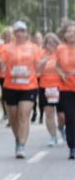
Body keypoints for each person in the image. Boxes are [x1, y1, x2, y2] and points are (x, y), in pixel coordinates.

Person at [0, 21, 39, 158]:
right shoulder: (6, 48)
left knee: (23, 115)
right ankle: (18, 139)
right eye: (18, 31)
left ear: (26, 33)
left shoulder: (34, 48)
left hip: (28, 86)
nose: (20, 34)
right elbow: (0, 67)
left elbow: (38, 66)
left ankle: (21, 146)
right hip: (11, 87)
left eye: (23, 31)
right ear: (14, 34)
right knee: (13, 119)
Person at [36, 32, 64, 147]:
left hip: (60, 86)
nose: (51, 44)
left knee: (62, 115)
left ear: (57, 43)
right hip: (45, 86)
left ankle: (61, 127)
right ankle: (53, 137)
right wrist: (44, 61)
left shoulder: (61, 53)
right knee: (49, 113)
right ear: (45, 43)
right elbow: (37, 71)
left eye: (53, 42)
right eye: (48, 42)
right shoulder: (41, 53)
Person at [55, 21, 75, 159]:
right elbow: (56, 65)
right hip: (66, 87)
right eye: (69, 31)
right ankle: (72, 147)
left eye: (74, 31)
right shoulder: (60, 48)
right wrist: (61, 73)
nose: (72, 34)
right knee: (70, 117)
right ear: (65, 34)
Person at [0, 27, 13, 125]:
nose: (8, 37)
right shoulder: (0, 46)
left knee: (12, 95)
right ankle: (7, 115)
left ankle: (12, 115)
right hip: (2, 75)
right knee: (5, 95)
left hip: (14, 76)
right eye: (6, 35)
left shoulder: (15, 46)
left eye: (10, 35)